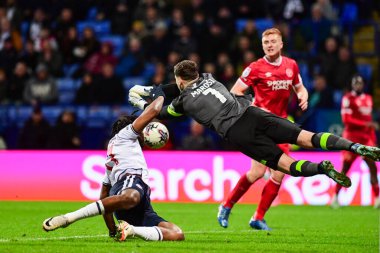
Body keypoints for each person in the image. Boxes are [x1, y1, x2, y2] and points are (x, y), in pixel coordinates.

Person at [128, 61, 380, 213]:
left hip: (238, 132)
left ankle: (322, 169)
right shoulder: (209, 78)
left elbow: (161, 111)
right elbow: (182, 85)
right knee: (308, 136)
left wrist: (143, 101)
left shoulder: (182, 101)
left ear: (179, 80)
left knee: (287, 165)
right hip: (254, 113)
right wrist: (155, 89)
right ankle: (355, 146)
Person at [42, 96, 185, 242]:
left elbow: (104, 198)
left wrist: (112, 230)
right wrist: (161, 94)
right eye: (140, 130)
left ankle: (131, 229)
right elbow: (154, 110)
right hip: (131, 186)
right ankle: (68, 218)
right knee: (131, 197)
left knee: (177, 234)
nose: (142, 133)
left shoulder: (112, 158)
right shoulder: (125, 135)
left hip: (141, 209)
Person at [218, 27, 309, 230]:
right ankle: (226, 205)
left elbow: (299, 86)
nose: (269, 45)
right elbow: (235, 92)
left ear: (281, 44)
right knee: (257, 173)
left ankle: (258, 217)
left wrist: (303, 95)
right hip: (260, 127)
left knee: (279, 174)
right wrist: (249, 107)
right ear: (262, 45)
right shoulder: (255, 68)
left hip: (283, 127)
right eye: (266, 42)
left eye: (273, 42)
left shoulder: (291, 65)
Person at [331, 75, 380, 209]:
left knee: (373, 167)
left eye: (360, 83)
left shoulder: (369, 98)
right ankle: (335, 197)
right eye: (356, 83)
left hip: (366, 138)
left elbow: (368, 119)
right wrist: (366, 124)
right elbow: (346, 120)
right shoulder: (348, 98)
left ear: (363, 85)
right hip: (351, 137)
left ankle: (377, 199)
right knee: (345, 168)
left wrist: (372, 139)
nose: (358, 85)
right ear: (352, 85)